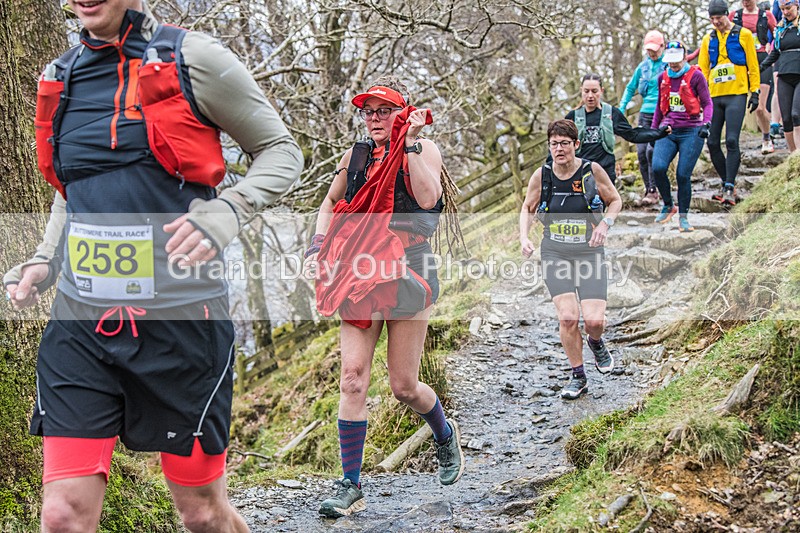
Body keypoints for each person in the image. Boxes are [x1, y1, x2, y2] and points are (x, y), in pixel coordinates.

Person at [3, 1, 304, 531]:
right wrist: (44, 260)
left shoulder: (195, 59)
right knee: (61, 515)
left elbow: (282, 151)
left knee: (202, 515)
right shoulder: (60, 75)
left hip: (182, 324)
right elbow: (72, 187)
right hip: (82, 324)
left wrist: (228, 210)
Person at [304, 78, 464, 518]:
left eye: (383, 110)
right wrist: (317, 245)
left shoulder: (423, 148)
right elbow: (329, 202)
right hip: (359, 270)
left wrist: (408, 144)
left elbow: (430, 197)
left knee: (403, 386)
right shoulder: (354, 156)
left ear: (402, 111)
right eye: (368, 111)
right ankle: (350, 484)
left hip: (410, 265)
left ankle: (444, 434)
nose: (374, 118)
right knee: (353, 377)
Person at [520, 120, 623, 400]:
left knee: (594, 321)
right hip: (555, 252)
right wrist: (524, 237)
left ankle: (596, 341)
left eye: (565, 143)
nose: (559, 149)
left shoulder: (592, 170)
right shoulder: (541, 176)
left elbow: (615, 200)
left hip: (589, 252)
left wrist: (605, 226)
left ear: (576, 145)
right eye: (554, 143)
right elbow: (527, 208)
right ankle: (578, 376)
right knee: (567, 317)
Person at [699, 0, 762, 206]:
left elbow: (753, 65)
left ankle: (728, 186)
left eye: (719, 17)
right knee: (713, 142)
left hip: (737, 93)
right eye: (712, 19)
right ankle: (728, 183)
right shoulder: (708, 39)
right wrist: (701, 98)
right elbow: (703, 70)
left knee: (732, 140)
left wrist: (755, 91)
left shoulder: (743, 34)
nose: (716, 22)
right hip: (715, 96)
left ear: (727, 14)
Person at [651, 41, 714, 232]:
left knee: (682, 174)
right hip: (668, 130)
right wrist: (654, 131)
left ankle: (684, 218)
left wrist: (706, 124)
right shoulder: (662, 77)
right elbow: (659, 107)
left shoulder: (696, 76)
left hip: (692, 131)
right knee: (658, 167)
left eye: (677, 61)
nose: (674, 65)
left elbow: (708, 103)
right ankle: (669, 204)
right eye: (670, 62)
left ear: (685, 56)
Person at [565, 73, 669, 187]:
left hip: (605, 171)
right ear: (581, 91)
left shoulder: (611, 113)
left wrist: (659, 133)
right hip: (580, 171)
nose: (590, 95)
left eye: (594, 91)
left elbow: (633, 135)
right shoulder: (573, 116)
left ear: (601, 91)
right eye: (586, 91)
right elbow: (560, 144)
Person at [620, 30, 668, 204]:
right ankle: (649, 190)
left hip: (662, 114)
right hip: (645, 114)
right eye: (649, 49)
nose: (652, 52)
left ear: (662, 46)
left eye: (655, 49)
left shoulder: (669, 64)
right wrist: (622, 107)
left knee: (651, 152)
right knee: (641, 153)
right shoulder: (643, 67)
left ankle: (655, 190)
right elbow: (630, 88)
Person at [731, 0, 779, 153]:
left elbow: (779, 37)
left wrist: (771, 52)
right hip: (741, 63)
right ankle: (771, 126)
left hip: (761, 62)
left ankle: (767, 137)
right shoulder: (734, 16)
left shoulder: (767, 15)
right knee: (739, 105)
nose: (746, 2)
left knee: (759, 107)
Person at [761, 0, 800, 152]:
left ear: (797, 6)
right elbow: (775, 52)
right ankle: (793, 155)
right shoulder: (780, 28)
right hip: (784, 74)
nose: (785, 12)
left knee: (797, 114)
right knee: (787, 119)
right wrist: (761, 67)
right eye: (783, 9)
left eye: (788, 8)